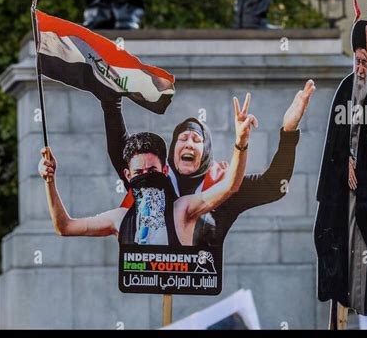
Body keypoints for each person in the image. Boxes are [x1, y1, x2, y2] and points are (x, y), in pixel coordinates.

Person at [101, 82, 315, 246]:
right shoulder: (153, 176)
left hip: (202, 281)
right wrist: (112, 103)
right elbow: (124, 156)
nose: (188, 144)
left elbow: (275, 186)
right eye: (182, 139)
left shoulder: (224, 183)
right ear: (173, 149)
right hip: (155, 278)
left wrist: (289, 132)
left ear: (206, 153)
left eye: (196, 140)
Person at [39, 97, 257, 247]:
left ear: (163, 170)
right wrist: (49, 181)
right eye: (139, 171)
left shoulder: (182, 210)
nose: (146, 176)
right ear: (127, 176)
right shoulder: (120, 218)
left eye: (151, 170)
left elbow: (230, 185)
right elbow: (64, 226)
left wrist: (241, 142)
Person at [314, 0, 367, 319]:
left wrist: (359, 161)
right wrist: (344, 160)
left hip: (365, 191)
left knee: (361, 250)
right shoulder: (345, 89)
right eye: (358, 61)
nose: (361, 68)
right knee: (331, 239)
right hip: (339, 191)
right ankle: (338, 306)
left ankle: (355, 304)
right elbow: (334, 143)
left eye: (366, 61)